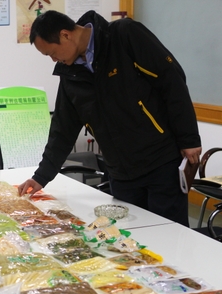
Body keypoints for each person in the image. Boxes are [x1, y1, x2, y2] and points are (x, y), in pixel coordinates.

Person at [18, 10, 202, 226]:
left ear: (65, 35)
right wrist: (41, 177)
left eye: (52, 53)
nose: (53, 60)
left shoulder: (124, 35)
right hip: (120, 172)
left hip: (160, 161)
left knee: (168, 231)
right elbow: (62, 130)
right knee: (130, 236)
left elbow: (172, 81)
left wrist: (189, 138)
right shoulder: (70, 74)